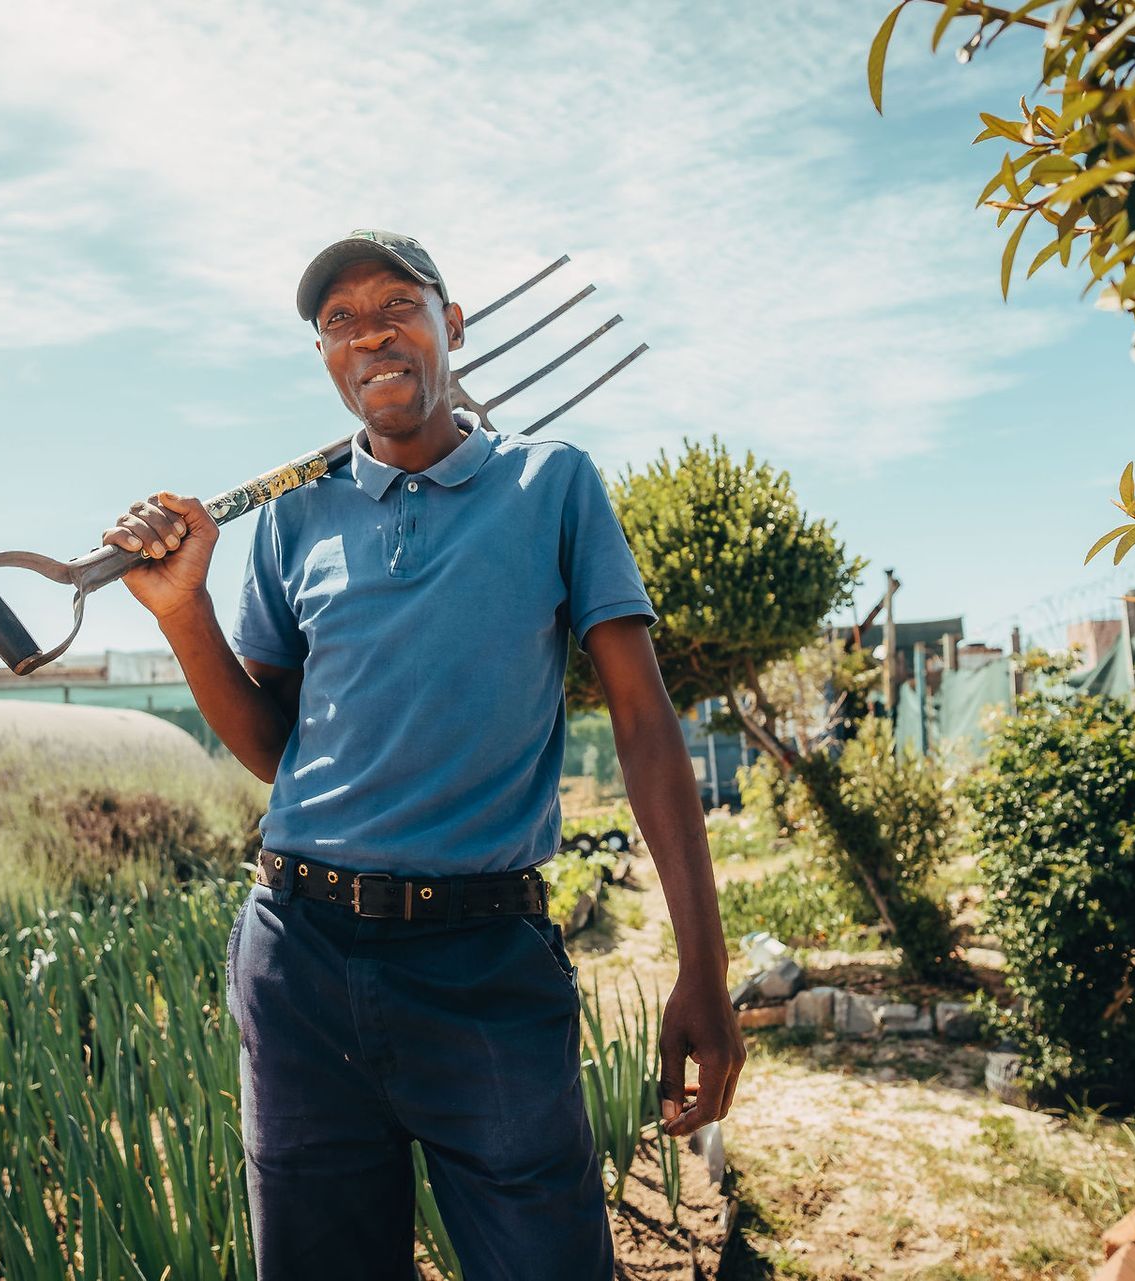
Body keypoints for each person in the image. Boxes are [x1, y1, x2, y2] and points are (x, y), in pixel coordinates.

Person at [102, 229, 742, 1280]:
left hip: (481, 964)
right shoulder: (292, 521)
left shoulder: (552, 487)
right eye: (338, 322)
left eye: (396, 305)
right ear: (323, 358)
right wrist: (184, 615)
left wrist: (704, 969)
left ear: (452, 325)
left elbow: (644, 724)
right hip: (299, 958)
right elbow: (273, 749)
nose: (369, 334)